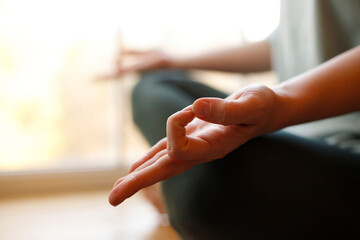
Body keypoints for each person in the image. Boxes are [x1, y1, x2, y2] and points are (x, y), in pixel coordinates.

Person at [106, 0, 360, 239]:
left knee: (208, 198)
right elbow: (281, 44)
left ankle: (186, 193)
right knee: (155, 84)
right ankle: (187, 191)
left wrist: (278, 105)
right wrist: (174, 60)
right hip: (299, 137)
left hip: (349, 156)